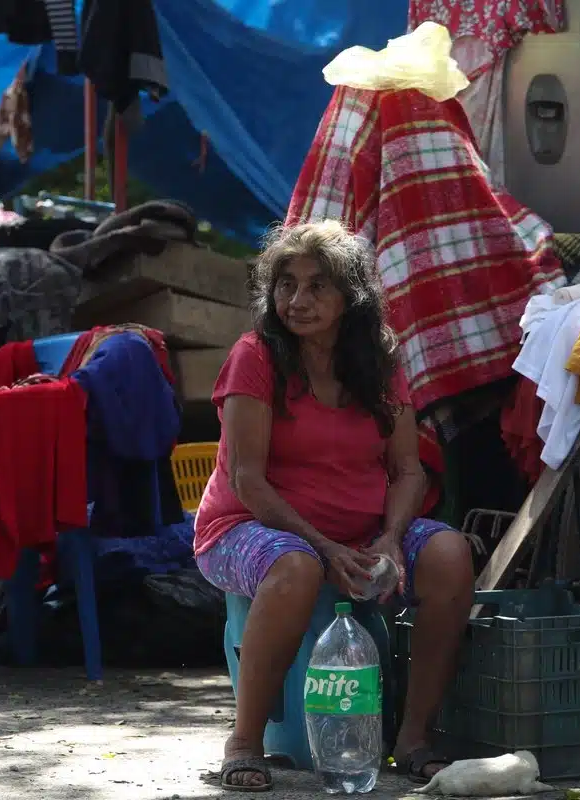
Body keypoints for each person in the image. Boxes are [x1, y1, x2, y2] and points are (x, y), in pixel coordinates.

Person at [195, 220, 474, 791]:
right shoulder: (257, 357)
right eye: (286, 284)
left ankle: (414, 736)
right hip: (244, 526)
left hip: (364, 527)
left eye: (318, 286)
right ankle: (244, 740)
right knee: (296, 566)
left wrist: (391, 539)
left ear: (352, 296)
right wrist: (324, 548)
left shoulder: (378, 363)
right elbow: (247, 480)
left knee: (448, 553)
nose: (297, 300)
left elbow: (407, 471)